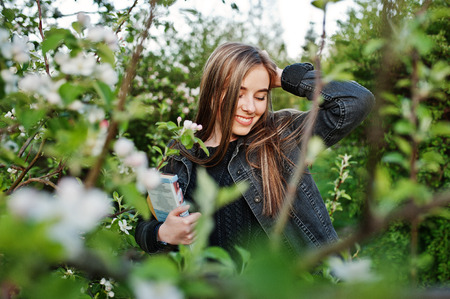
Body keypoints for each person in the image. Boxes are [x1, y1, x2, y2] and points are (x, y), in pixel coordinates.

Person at [135, 42, 375, 255]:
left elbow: (355, 101)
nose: (250, 107)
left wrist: (281, 76)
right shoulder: (180, 152)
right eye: (239, 95)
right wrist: (161, 234)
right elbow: (144, 222)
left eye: (260, 96)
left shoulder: (281, 136)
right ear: (212, 93)